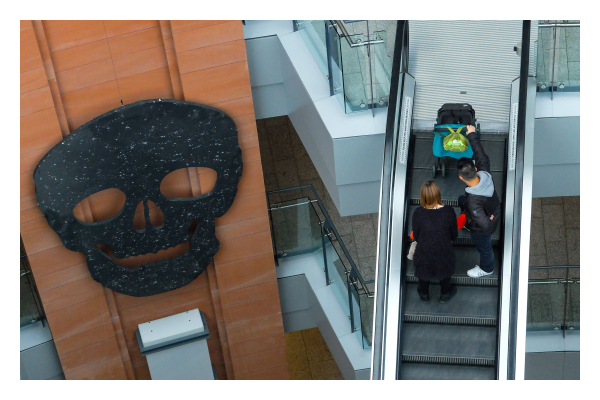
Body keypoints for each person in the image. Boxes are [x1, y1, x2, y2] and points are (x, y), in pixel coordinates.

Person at [457, 125, 502, 278]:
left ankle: (486, 268)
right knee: (461, 200)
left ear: (461, 178)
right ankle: (469, 224)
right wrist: (472, 135)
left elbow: (484, 224)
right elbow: (480, 153)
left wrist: (489, 222)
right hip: (491, 206)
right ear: (476, 168)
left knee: (485, 249)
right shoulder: (485, 171)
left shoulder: (473, 202)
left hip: (482, 228)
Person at [411, 180, 458, 303]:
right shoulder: (448, 211)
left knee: (423, 273)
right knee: (444, 272)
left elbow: (416, 235)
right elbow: (454, 234)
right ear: (438, 194)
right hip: (443, 250)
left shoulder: (418, 213)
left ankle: (424, 293)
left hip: (424, 251)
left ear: (422, 196)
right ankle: (445, 294)